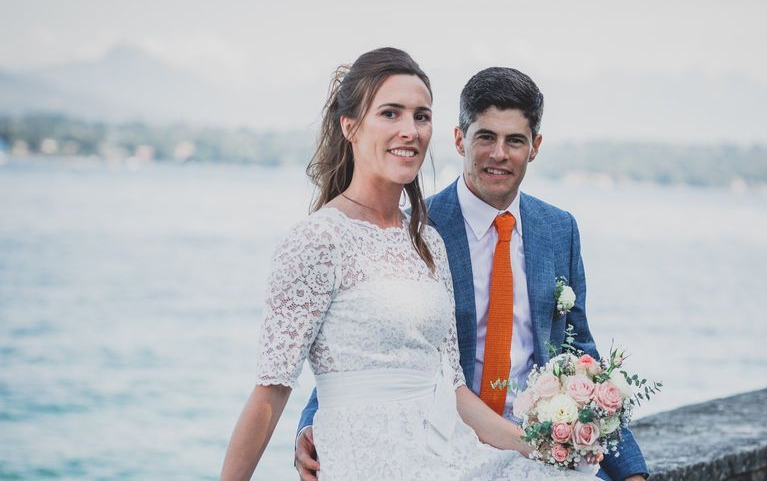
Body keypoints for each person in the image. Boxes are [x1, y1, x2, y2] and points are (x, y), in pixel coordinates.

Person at [221, 48, 598, 480]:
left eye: (421, 116)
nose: (410, 131)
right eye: (390, 113)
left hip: (441, 452)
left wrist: (538, 447)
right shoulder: (317, 239)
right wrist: (306, 428)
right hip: (366, 458)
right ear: (350, 126)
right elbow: (270, 393)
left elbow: (453, 387)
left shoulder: (427, 240)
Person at [295, 65, 649, 480]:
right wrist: (311, 423)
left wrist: (630, 471)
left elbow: (579, 351)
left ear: (534, 146)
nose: (499, 154)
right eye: (486, 137)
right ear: (460, 138)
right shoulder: (415, 230)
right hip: (443, 449)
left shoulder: (559, 229)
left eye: (514, 140)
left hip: (541, 453)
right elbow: (367, 343)